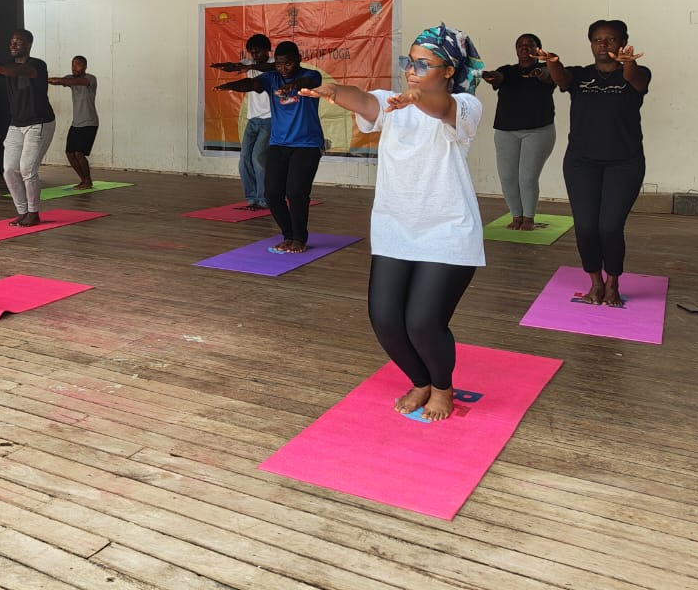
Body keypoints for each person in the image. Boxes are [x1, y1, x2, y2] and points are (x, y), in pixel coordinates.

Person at [300, 24, 486, 422]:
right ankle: (420, 381)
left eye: (423, 64)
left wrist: (418, 97)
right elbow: (365, 100)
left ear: (449, 71)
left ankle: (442, 387)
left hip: (448, 230)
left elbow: (440, 108)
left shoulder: (465, 105)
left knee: (423, 322)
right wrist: (333, 91)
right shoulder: (392, 103)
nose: (411, 70)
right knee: (385, 320)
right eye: (409, 62)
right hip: (395, 229)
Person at [539, 20, 650, 308]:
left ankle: (613, 282)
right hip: (581, 162)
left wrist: (628, 63)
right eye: (597, 39)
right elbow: (562, 80)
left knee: (610, 227)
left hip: (624, 163)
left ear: (622, 42)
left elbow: (635, 80)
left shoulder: (637, 73)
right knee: (586, 227)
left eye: (610, 39)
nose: (603, 44)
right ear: (591, 44)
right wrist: (553, 62)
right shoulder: (580, 75)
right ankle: (595, 282)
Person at [215, 41, 323, 253]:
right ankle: (288, 235)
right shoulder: (272, 78)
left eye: (288, 64)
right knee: (272, 194)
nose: (283, 69)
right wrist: (231, 86)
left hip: (307, 145)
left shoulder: (311, 75)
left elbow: (308, 82)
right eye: (279, 64)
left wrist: (295, 85)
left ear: (298, 60)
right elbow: (252, 84)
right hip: (279, 144)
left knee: (296, 193)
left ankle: (299, 238)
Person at [481, 33, 556, 230]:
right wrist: (490, 75)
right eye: (521, 45)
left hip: (538, 131)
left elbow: (548, 76)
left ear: (538, 49)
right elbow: (498, 77)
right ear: (516, 50)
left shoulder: (547, 69)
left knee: (527, 177)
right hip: (506, 131)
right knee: (507, 177)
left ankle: (529, 217)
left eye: (530, 45)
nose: (525, 48)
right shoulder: (508, 71)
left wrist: (540, 73)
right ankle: (516, 216)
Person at [0, 30, 56, 227]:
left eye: (18, 42)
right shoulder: (6, 65)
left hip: (39, 122)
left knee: (27, 169)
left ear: (29, 44)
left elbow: (23, 71)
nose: (13, 45)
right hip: (16, 124)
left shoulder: (37, 65)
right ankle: (22, 211)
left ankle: (33, 213)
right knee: (9, 170)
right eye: (11, 42)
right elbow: (3, 70)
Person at [211, 34, 273, 210]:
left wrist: (250, 67)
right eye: (252, 53)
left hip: (269, 120)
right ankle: (251, 198)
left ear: (267, 50)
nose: (255, 56)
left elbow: (267, 68)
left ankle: (264, 199)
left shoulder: (275, 64)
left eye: (258, 52)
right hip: (253, 120)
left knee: (258, 159)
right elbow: (235, 67)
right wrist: (224, 67)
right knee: (244, 159)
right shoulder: (249, 63)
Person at [49, 55, 99, 190]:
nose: (74, 67)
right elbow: (58, 81)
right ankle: (83, 180)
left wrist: (63, 81)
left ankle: (88, 181)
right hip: (76, 123)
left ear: (85, 66)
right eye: (72, 65)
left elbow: (75, 82)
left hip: (89, 122)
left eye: (78, 64)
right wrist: (43, 79)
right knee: (70, 153)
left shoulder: (90, 79)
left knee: (79, 153)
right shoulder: (70, 79)